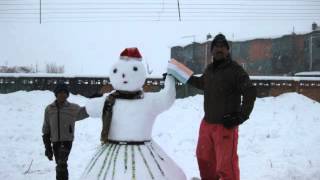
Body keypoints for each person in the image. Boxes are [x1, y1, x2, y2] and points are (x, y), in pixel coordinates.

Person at [187, 34, 257, 180]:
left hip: (225, 126)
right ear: (212, 50)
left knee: (226, 166)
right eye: (216, 47)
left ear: (227, 50)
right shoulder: (210, 69)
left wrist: (241, 116)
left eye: (222, 47)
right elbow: (201, 83)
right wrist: (179, 75)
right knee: (204, 159)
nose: (219, 49)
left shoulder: (235, 70)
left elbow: (250, 91)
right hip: (207, 124)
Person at [42, 83, 89, 180]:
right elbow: (46, 128)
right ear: (56, 94)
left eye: (64, 93)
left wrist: (98, 102)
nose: (62, 95)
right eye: (59, 92)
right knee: (60, 165)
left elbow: (86, 111)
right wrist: (48, 148)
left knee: (61, 164)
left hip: (67, 141)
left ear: (67, 95)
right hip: (55, 141)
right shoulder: (49, 109)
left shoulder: (73, 108)